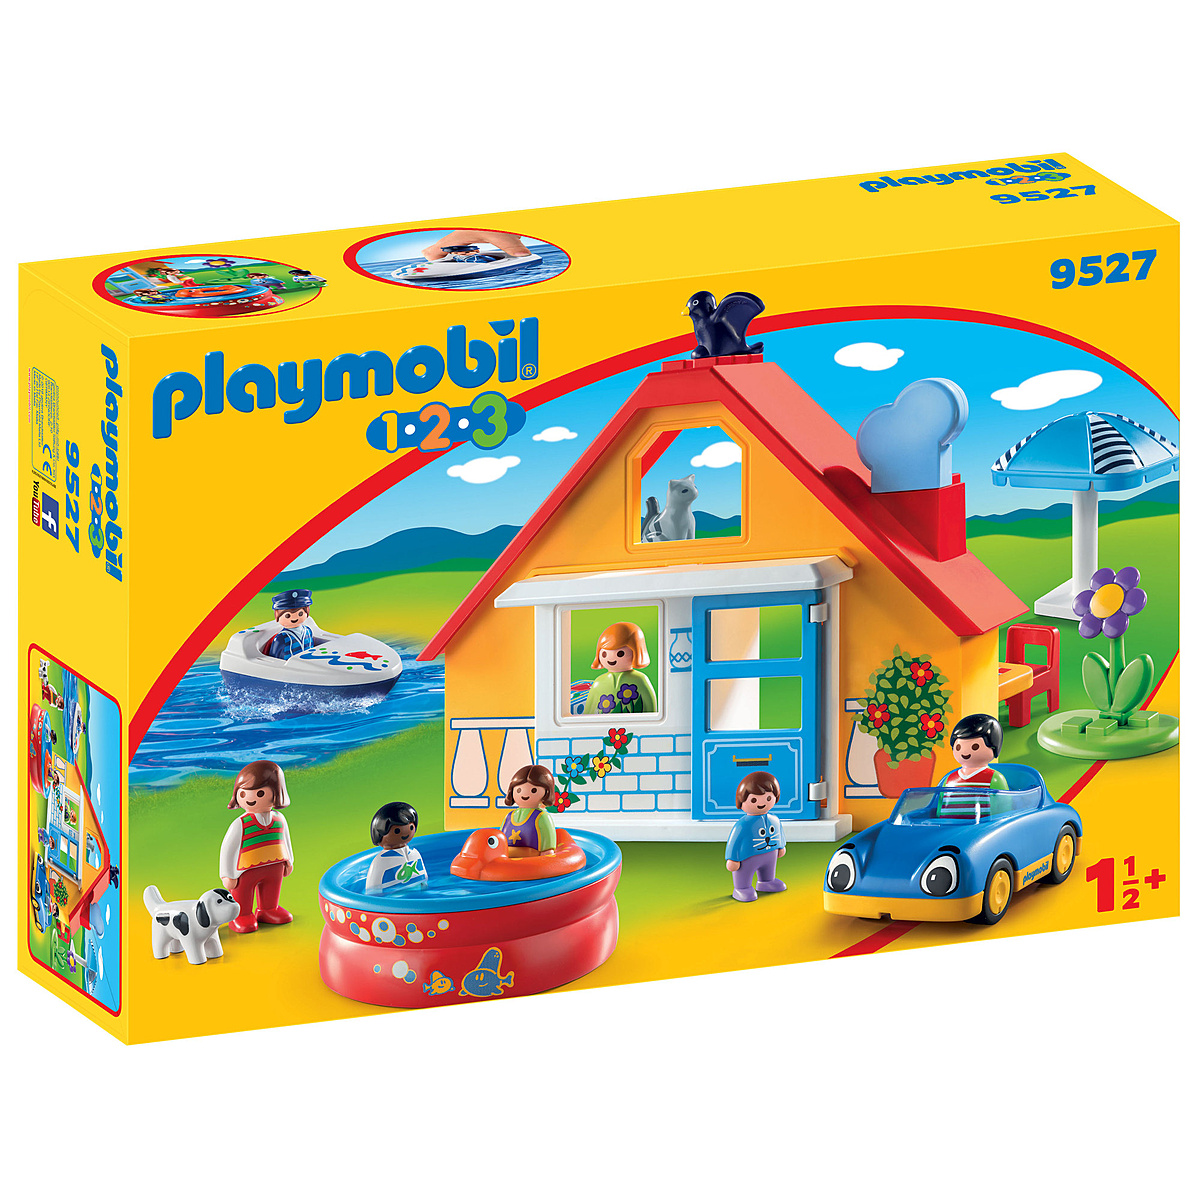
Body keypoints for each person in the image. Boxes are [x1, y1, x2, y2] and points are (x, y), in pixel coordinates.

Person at [219, 760, 294, 933]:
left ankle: (268, 909)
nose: (250, 798)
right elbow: (227, 850)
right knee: (243, 893)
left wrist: (289, 861)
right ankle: (241, 915)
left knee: (272, 890)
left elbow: (285, 840)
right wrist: (227, 874)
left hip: (275, 865)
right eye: (243, 793)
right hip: (246, 870)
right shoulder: (240, 824)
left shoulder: (279, 819)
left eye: (259, 793)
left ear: (277, 792)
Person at [724, 771, 787, 902]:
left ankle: (767, 881)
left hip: (770, 853)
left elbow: (779, 832)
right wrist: (732, 859)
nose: (762, 803)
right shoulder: (742, 825)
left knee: (769, 870)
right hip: (747, 856)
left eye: (768, 798)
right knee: (744, 874)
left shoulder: (774, 820)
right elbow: (734, 842)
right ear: (741, 801)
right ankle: (741, 888)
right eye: (754, 800)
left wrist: (781, 846)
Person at [936, 713, 1010, 819]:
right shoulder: (949, 779)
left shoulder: (994, 778)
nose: (964, 752)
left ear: (994, 747)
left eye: (975, 746)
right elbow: (940, 808)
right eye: (958, 747)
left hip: (982, 827)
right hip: (948, 826)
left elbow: (1003, 810)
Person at [583, 621, 658, 715]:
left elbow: (650, 705)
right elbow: (589, 710)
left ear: (637, 651)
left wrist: (651, 721)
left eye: (620, 653)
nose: (610, 659)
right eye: (604, 654)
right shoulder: (599, 682)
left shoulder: (640, 680)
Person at [365, 802, 427, 890]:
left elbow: (424, 878)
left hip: (416, 892)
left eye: (411, 827)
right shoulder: (381, 861)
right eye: (397, 831)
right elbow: (372, 888)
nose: (405, 833)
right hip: (392, 895)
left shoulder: (414, 853)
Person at [500, 764, 558, 857]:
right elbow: (500, 836)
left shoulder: (542, 816)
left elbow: (548, 836)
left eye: (534, 790)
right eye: (519, 790)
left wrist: (547, 850)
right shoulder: (510, 816)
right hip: (506, 853)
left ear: (547, 792)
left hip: (532, 854)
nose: (524, 794)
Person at [266, 589, 314, 660]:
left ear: (308, 611)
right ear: (276, 614)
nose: (294, 618)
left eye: (300, 613)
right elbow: (273, 659)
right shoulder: (280, 639)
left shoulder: (308, 631)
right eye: (287, 615)